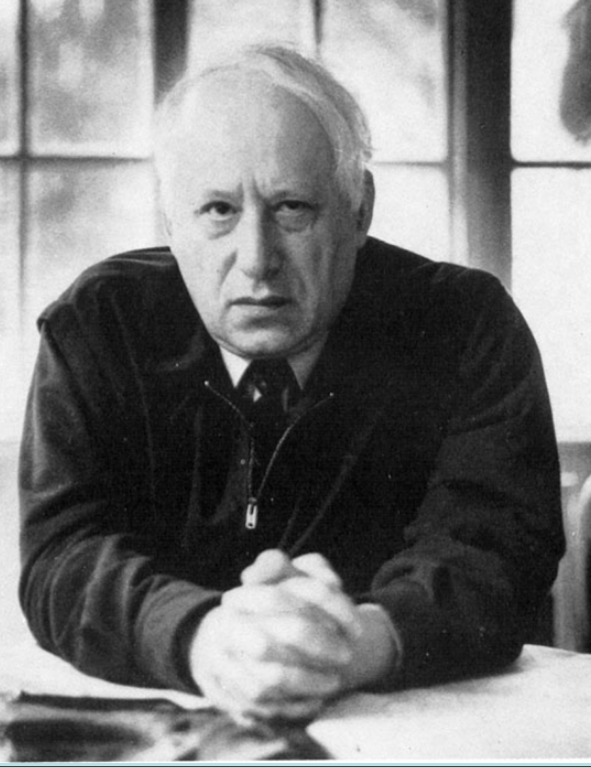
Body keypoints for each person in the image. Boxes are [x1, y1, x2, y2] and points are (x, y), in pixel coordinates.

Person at [19, 45, 565, 723]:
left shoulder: (465, 325)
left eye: (292, 208)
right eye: (217, 209)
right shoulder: (98, 325)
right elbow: (62, 556)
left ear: (358, 209)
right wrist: (201, 637)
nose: (256, 260)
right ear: (169, 221)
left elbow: (496, 551)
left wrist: (358, 640)